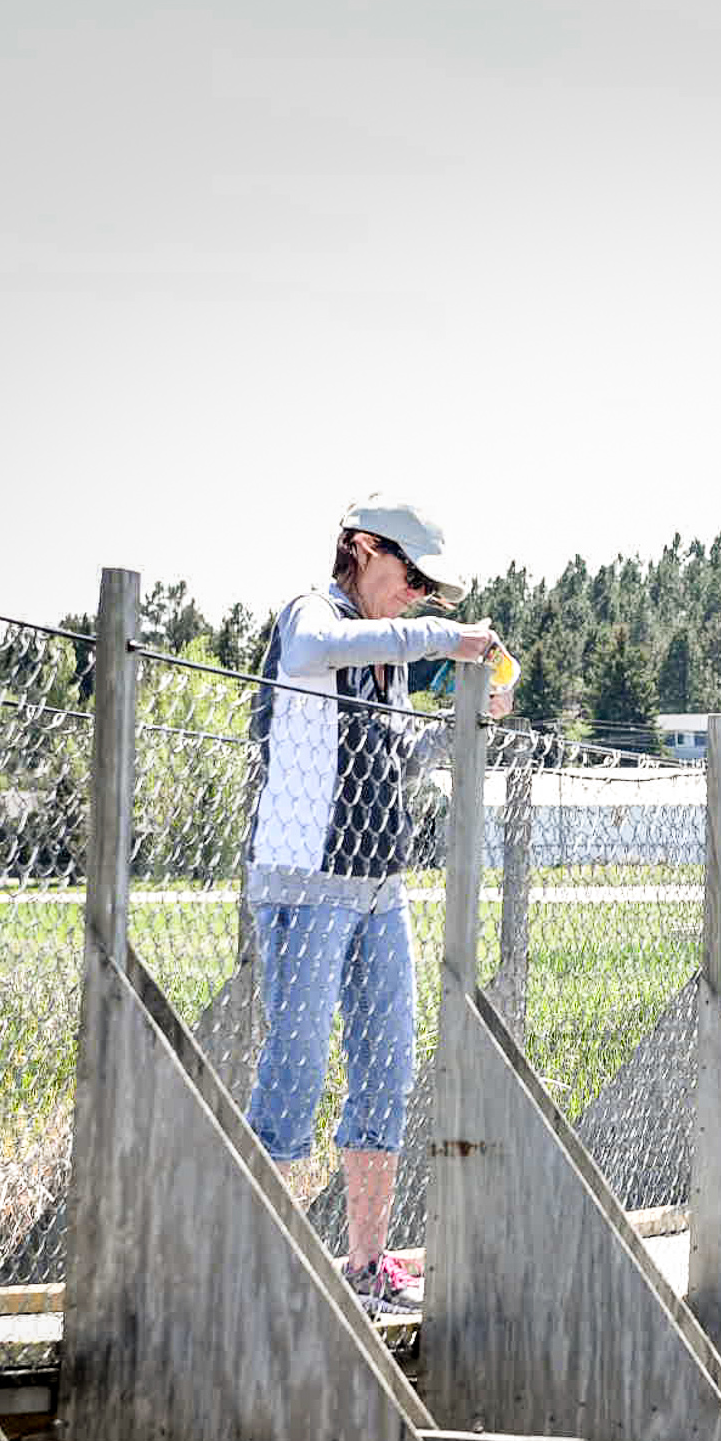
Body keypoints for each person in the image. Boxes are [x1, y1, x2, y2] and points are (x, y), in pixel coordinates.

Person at [244, 497, 511, 1311]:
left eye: (432, 588)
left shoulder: (391, 656)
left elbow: (404, 748)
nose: (420, 595)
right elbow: (320, 648)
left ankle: (366, 1265)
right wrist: (441, 640)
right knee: (295, 1070)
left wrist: (486, 699)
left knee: (385, 1070)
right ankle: (260, 1267)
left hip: (378, 889)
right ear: (362, 549)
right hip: (305, 884)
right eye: (413, 576)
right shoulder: (311, 615)